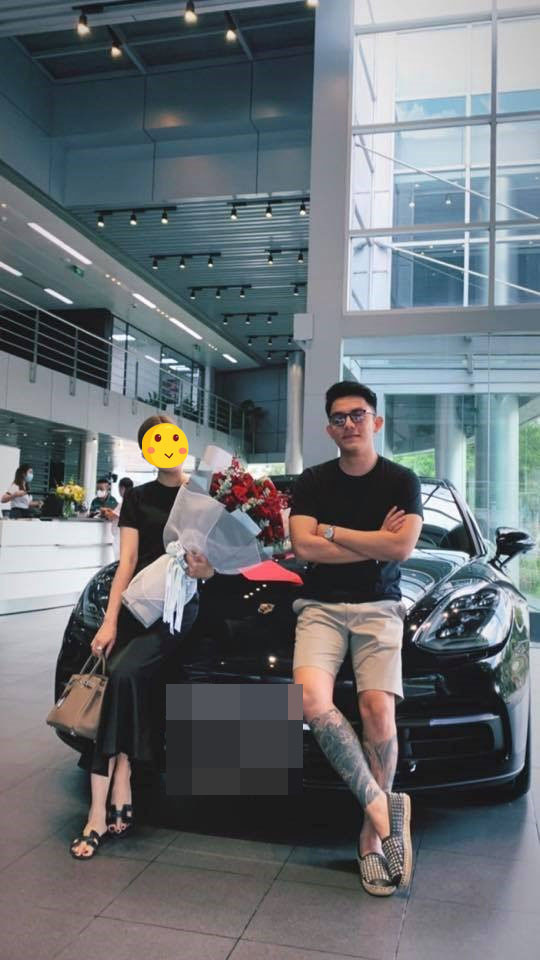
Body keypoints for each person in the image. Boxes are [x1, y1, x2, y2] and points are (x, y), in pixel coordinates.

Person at [289, 381, 423, 896]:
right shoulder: (313, 480)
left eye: (358, 414)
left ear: (376, 422)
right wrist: (374, 541)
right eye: (339, 418)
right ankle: (384, 809)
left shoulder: (401, 480)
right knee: (308, 700)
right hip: (319, 607)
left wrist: (331, 531)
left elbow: (402, 549)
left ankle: (370, 837)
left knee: (377, 709)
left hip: (380, 606)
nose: (349, 424)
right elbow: (302, 548)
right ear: (329, 429)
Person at [70, 417, 213, 860]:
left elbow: (215, 565)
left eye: (172, 438)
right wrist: (110, 620)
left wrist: (204, 569)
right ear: (147, 449)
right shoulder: (138, 498)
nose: (166, 446)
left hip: (177, 610)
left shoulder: (202, 495)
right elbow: (127, 562)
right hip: (138, 605)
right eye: (156, 441)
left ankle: (97, 811)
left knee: (122, 675)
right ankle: (122, 776)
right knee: (121, 679)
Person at [100, 477, 134, 559]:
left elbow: (111, 516)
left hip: (121, 536)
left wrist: (104, 511)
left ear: (122, 488)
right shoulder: (133, 500)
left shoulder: (125, 501)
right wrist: (109, 510)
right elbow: (117, 513)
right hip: (130, 535)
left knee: (119, 559)